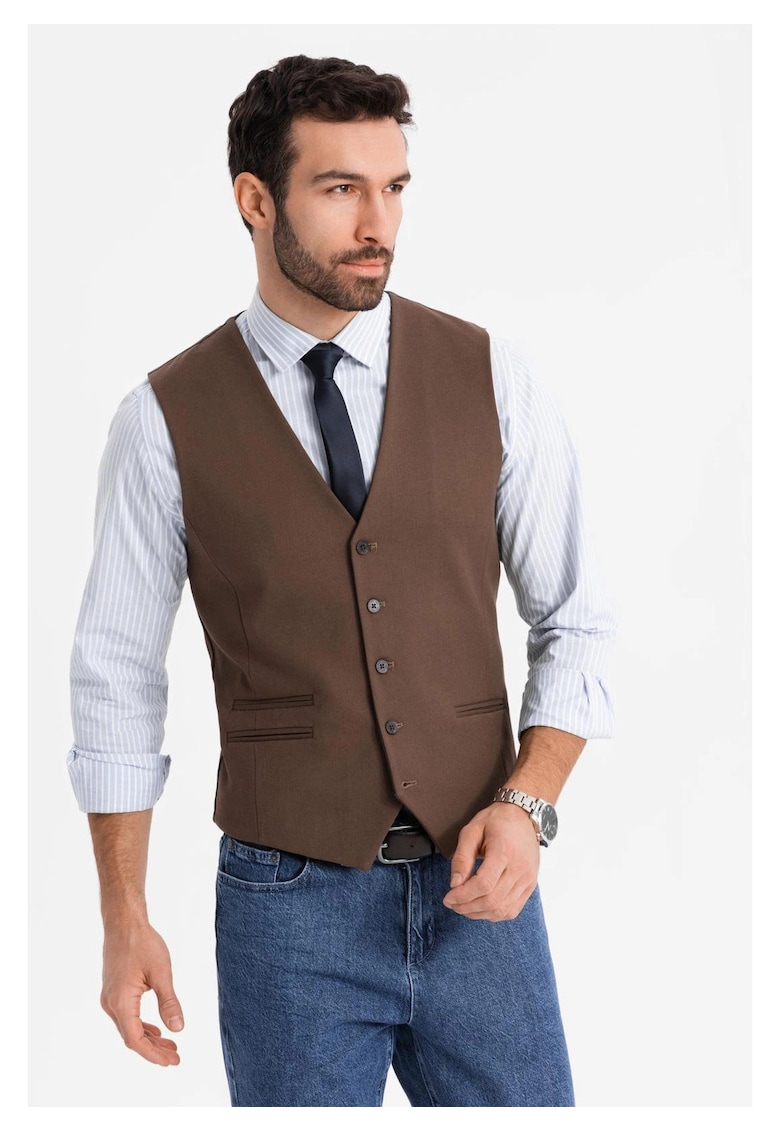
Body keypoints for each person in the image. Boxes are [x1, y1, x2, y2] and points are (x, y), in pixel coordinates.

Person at [67, 54, 617, 1108]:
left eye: (394, 186)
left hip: (480, 887)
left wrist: (528, 803)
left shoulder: (493, 377)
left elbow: (578, 618)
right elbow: (116, 677)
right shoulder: (161, 422)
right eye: (340, 189)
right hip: (286, 906)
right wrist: (123, 916)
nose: (379, 224)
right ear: (255, 200)